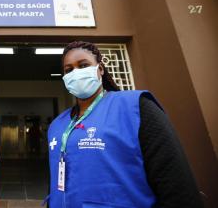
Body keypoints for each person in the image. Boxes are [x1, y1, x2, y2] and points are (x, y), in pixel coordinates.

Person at [47, 41, 204, 208]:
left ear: (100, 70)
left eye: (83, 65)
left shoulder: (135, 107)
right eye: (69, 70)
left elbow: (177, 187)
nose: (76, 73)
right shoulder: (57, 125)